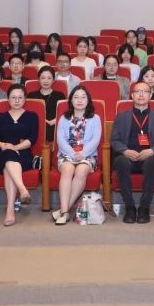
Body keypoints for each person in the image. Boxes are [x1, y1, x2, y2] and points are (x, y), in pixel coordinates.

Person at [110, 82, 154, 224]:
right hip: (127, 156)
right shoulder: (121, 116)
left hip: (149, 157)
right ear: (132, 95)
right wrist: (125, 151)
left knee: (153, 161)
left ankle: (144, 207)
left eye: (145, 91)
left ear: (150, 95)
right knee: (120, 161)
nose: (141, 94)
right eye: (138, 91)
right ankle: (130, 207)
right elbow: (114, 140)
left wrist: (152, 151)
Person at [53, 85, 102, 225]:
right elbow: (60, 140)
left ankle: (64, 211)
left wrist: (83, 153)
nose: (80, 100)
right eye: (76, 97)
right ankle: (65, 211)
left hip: (88, 155)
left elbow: (96, 139)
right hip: (66, 154)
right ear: (71, 100)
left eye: (83, 97)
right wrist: (72, 153)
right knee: (68, 170)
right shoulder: (64, 118)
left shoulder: (95, 118)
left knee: (81, 171)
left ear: (88, 100)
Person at [0, 84, 38, 226]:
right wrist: (3, 145)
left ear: (25, 99)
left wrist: (15, 147)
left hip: (23, 155)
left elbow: (32, 139)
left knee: (8, 166)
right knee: (8, 155)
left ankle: (10, 210)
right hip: (2, 153)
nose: (17, 100)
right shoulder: (0, 117)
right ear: (8, 99)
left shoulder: (32, 116)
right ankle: (22, 190)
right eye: (13, 97)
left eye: (20, 97)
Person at [27, 66, 65, 144]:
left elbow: (64, 114)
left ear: (53, 80)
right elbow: (26, 114)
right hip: (35, 127)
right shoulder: (31, 95)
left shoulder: (60, 96)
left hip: (54, 129)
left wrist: (56, 120)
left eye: (49, 78)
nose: (46, 81)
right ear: (39, 79)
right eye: (43, 78)